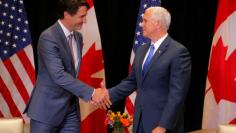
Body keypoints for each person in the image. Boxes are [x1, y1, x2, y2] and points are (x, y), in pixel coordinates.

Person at [24, 0, 110, 132]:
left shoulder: (78, 37)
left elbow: (72, 72)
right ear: (66, 15)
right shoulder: (48, 37)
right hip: (47, 109)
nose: (85, 20)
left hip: (71, 110)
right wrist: (92, 93)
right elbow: (58, 75)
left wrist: (93, 94)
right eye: (82, 16)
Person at [103, 7, 191, 133]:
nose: (141, 24)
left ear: (158, 24)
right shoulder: (142, 50)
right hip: (140, 121)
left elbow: (177, 94)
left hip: (162, 125)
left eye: (145, 21)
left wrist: (163, 125)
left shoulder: (178, 52)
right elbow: (132, 82)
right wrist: (107, 94)